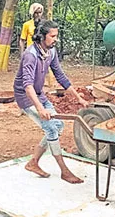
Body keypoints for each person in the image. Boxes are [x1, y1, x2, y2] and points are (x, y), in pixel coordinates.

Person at [14, 20, 89, 184]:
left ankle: (33, 162)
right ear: (41, 36)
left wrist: (79, 98)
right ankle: (64, 171)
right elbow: (27, 86)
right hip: (26, 97)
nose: (56, 39)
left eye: (57, 36)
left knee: (58, 126)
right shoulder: (30, 55)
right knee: (51, 129)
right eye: (52, 36)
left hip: (39, 94)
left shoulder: (51, 52)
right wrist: (40, 108)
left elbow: (60, 76)